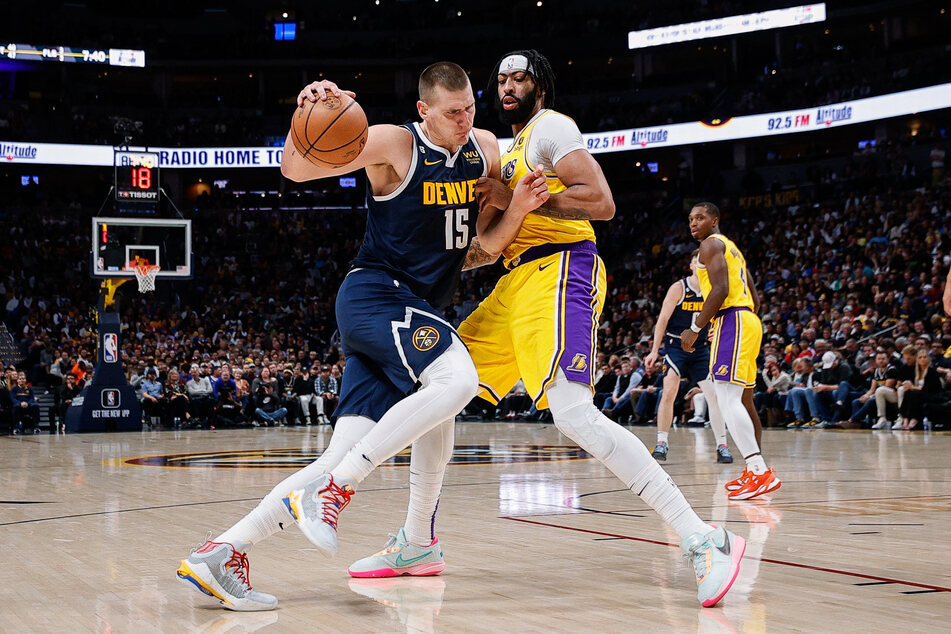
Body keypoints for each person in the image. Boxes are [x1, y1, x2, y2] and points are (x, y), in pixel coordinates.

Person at [177, 62, 549, 611]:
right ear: (425, 110)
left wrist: (513, 207)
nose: (466, 118)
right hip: (376, 295)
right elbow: (297, 171)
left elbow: (480, 252)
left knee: (395, 434)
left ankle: (223, 552)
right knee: (458, 379)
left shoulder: (484, 148)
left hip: (416, 306)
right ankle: (342, 491)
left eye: (471, 107)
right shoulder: (397, 145)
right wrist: (307, 111)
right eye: (453, 111)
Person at [455, 50, 745, 607]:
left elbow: (603, 202)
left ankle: (703, 537)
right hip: (513, 283)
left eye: (519, 76)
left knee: (572, 413)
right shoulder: (504, 152)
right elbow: (484, 250)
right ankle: (419, 541)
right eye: (501, 79)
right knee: (441, 387)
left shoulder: (551, 128)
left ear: (540, 84)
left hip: (561, 268)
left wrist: (533, 199)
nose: (508, 85)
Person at [680, 201, 780, 501]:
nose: (694, 222)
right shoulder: (732, 248)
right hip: (747, 320)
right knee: (744, 400)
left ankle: (758, 469)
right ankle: (755, 470)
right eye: (690, 218)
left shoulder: (710, 245)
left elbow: (720, 289)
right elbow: (754, 296)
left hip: (733, 320)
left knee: (726, 398)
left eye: (700, 217)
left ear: (715, 220)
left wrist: (696, 327)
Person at [644, 251, 733, 463]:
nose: (702, 264)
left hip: (701, 349)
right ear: (692, 265)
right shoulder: (679, 288)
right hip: (676, 346)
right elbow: (663, 320)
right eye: (698, 260)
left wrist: (716, 330)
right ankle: (662, 442)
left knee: (714, 396)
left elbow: (722, 318)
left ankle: (722, 445)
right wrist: (655, 350)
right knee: (669, 391)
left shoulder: (715, 290)